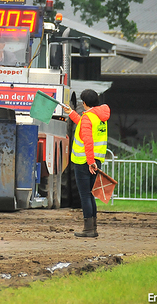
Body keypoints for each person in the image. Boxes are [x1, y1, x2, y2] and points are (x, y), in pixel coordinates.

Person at [63, 89, 110, 238]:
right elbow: (84, 125)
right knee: (90, 195)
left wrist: (89, 162)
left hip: (84, 161)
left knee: (85, 195)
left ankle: (89, 229)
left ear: (84, 103)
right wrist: (71, 113)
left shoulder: (88, 117)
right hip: (96, 160)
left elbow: (87, 141)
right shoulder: (100, 116)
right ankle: (93, 228)